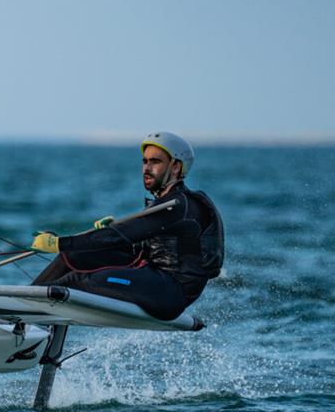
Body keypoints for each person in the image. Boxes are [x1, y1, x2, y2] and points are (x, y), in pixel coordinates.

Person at [29, 132, 224, 321]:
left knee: (77, 281)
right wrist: (94, 238)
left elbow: (120, 235)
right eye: (145, 161)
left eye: (155, 162)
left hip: (170, 292)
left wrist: (59, 242)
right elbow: (143, 245)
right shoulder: (169, 202)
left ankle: (21, 312)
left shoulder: (177, 206)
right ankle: (24, 313)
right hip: (152, 275)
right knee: (72, 256)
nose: (147, 168)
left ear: (175, 167)